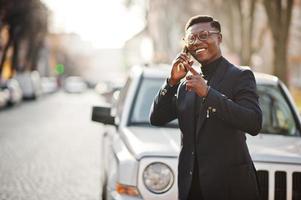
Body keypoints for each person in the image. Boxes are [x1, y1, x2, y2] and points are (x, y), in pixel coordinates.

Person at [150, 15, 262, 200]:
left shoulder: (241, 76)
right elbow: (156, 118)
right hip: (191, 188)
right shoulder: (185, 84)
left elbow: (254, 123)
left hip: (231, 188)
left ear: (219, 38)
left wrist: (208, 94)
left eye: (204, 35)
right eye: (191, 38)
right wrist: (171, 82)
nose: (197, 42)